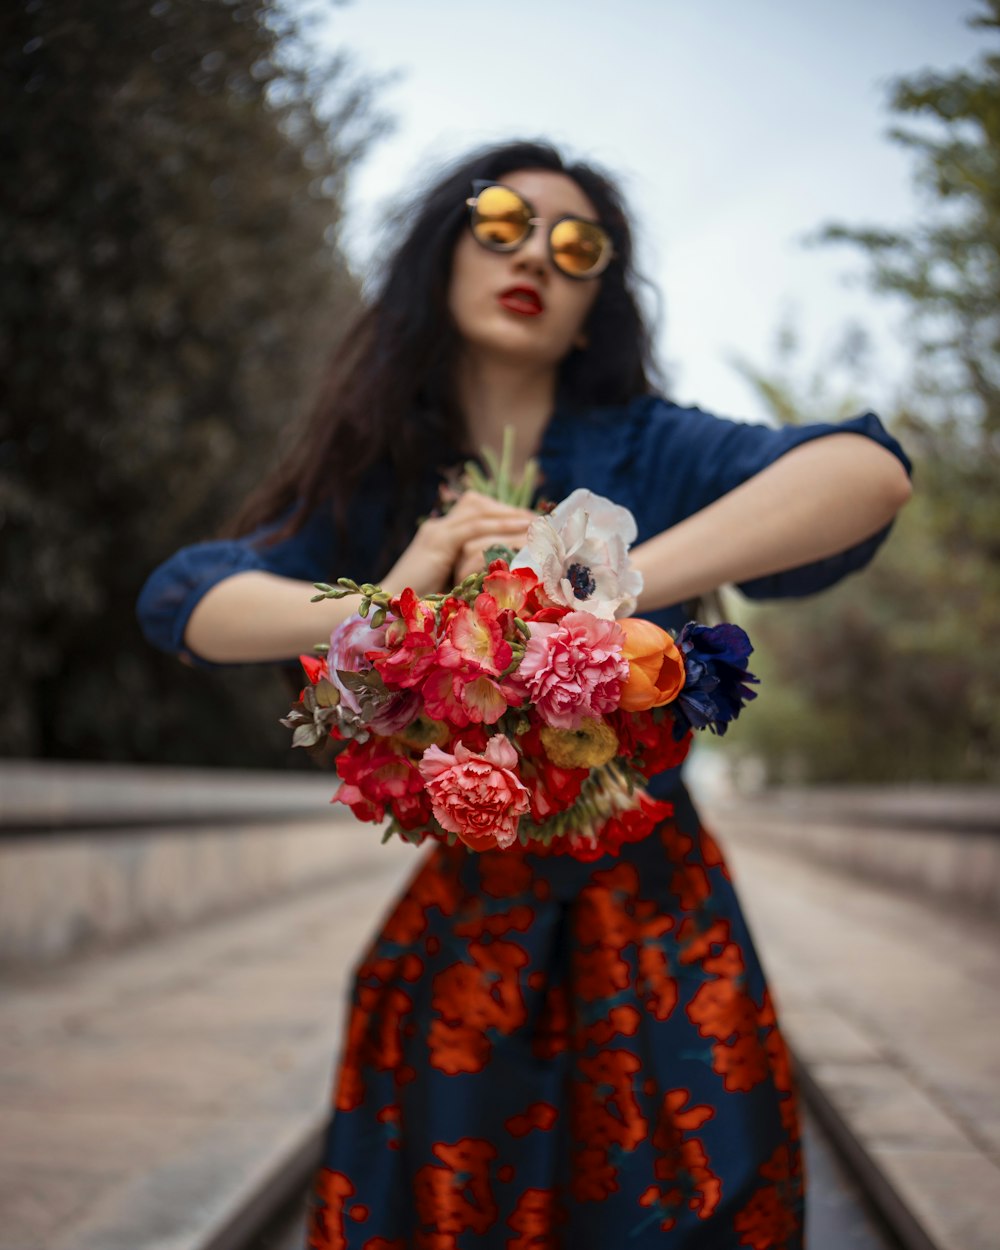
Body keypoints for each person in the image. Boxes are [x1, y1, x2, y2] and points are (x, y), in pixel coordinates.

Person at [137, 139, 912, 1249]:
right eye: (500, 221)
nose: (535, 254)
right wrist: (393, 603)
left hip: (660, 911)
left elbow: (866, 470)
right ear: (441, 258)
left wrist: (597, 580)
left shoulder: (646, 442)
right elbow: (186, 597)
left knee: (703, 1195)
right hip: (470, 930)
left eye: (576, 243)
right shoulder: (384, 468)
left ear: (597, 299)